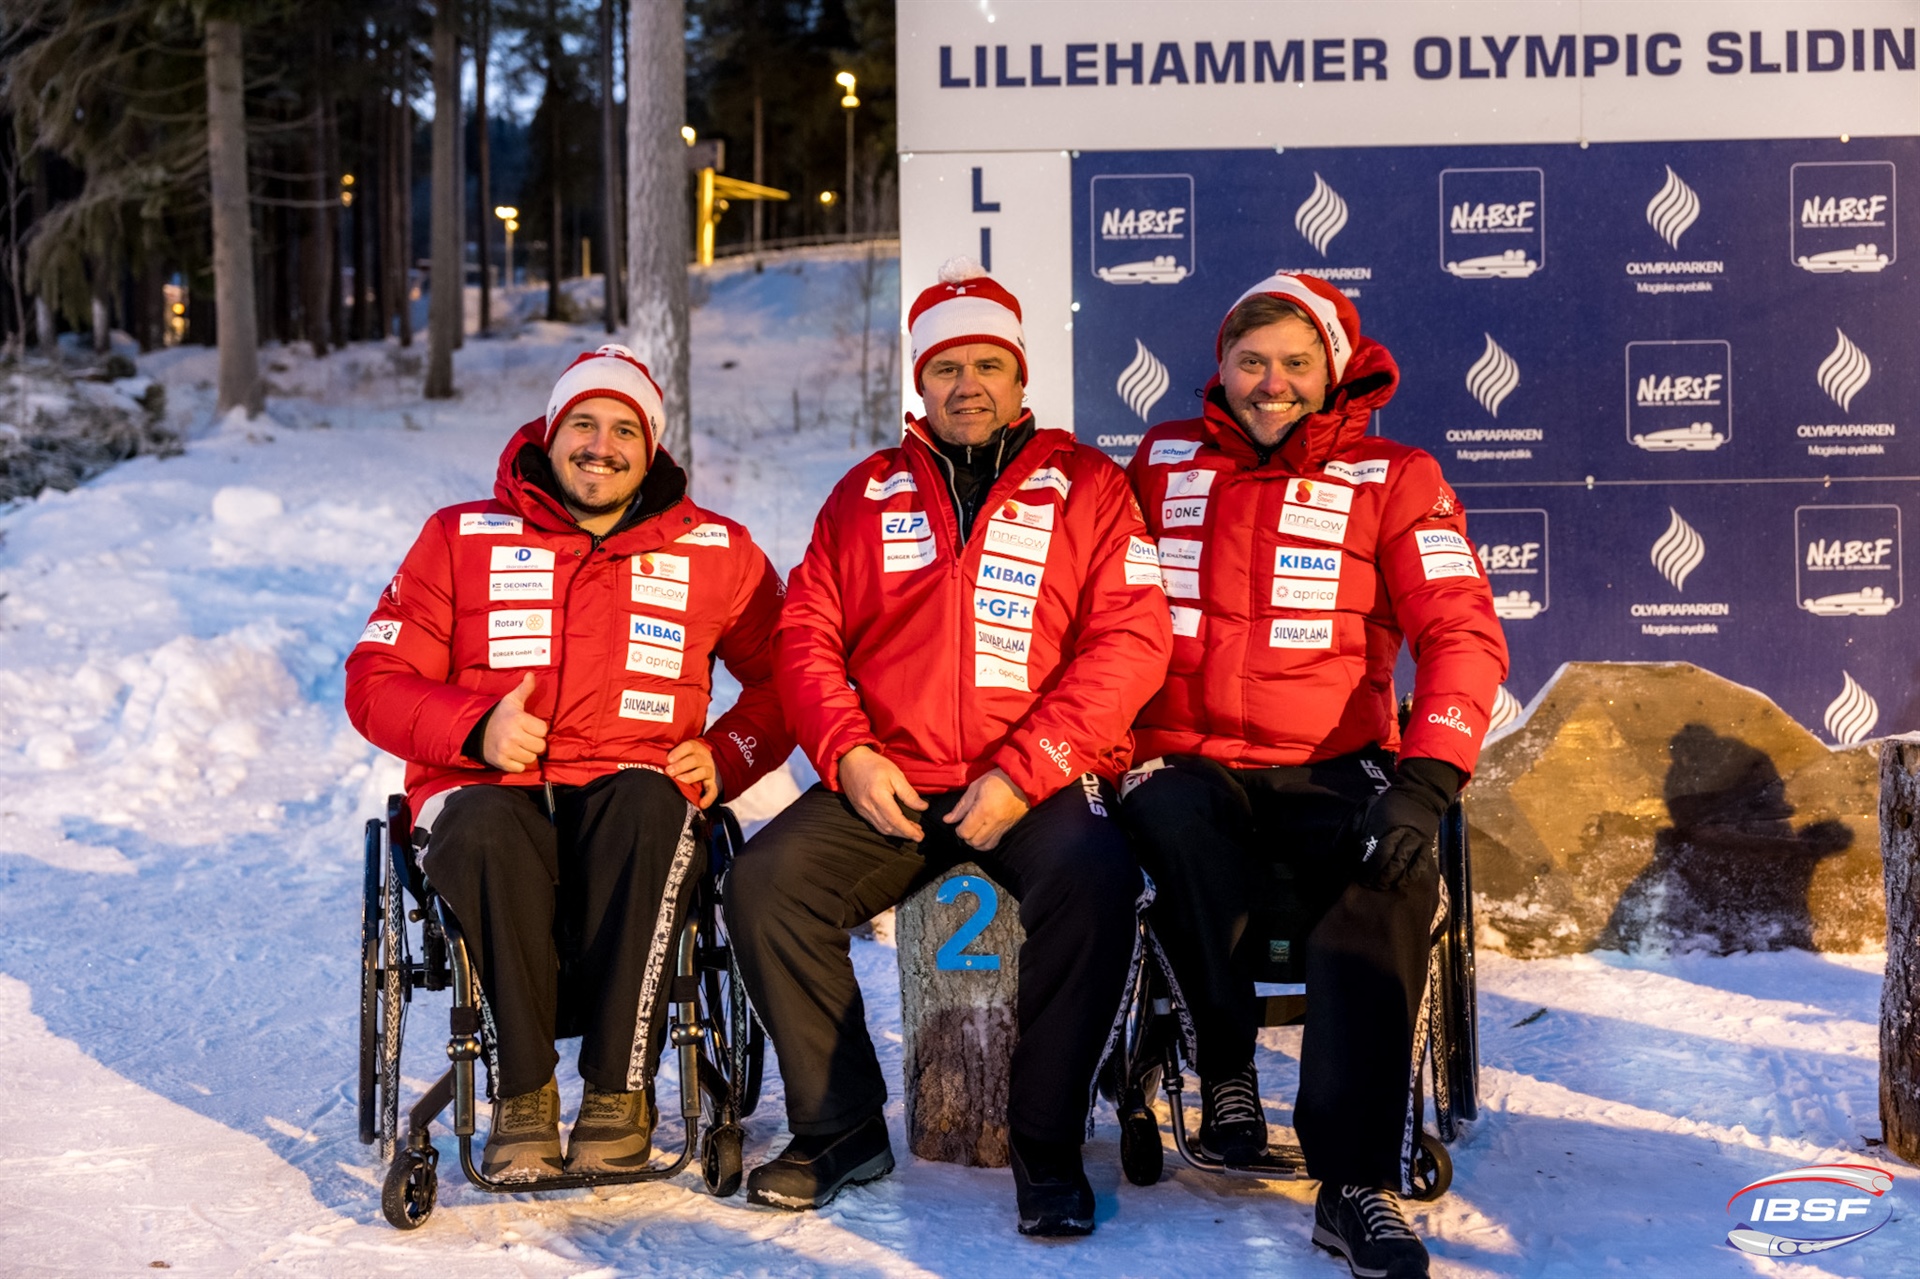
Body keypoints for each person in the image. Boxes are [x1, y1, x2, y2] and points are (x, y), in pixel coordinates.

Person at [726, 260, 1172, 1236]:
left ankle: (1046, 1145)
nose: (966, 383)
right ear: (919, 385)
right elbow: (805, 636)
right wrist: (847, 753)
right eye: (946, 367)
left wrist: (1030, 768)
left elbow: (1132, 638)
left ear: (1019, 379)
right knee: (765, 885)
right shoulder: (864, 493)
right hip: (897, 780)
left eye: (987, 363)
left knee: (1095, 881)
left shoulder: (1087, 486)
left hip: (1037, 784)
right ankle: (841, 1125)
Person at [1121, 274, 1507, 1279]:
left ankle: (1355, 1182)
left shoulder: (1395, 476)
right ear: (1221, 366)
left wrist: (1428, 779)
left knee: (1387, 875)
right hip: (1187, 754)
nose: (1272, 382)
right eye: (1252, 361)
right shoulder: (1161, 462)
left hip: (1334, 764)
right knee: (1165, 817)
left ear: (1332, 371)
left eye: (1296, 363)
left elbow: (1462, 629)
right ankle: (1227, 1066)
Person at [344, 345, 792, 1183]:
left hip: (631, 798)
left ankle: (620, 1095)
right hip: (487, 793)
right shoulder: (458, 537)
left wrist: (730, 752)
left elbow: (789, 677)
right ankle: (524, 1095)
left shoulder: (717, 552)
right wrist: (475, 729)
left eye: (626, 428)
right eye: (582, 422)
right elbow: (373, 681)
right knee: (482, 821)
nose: (602, 444)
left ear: (651, 447)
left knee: (651, 804)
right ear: (550, 434)